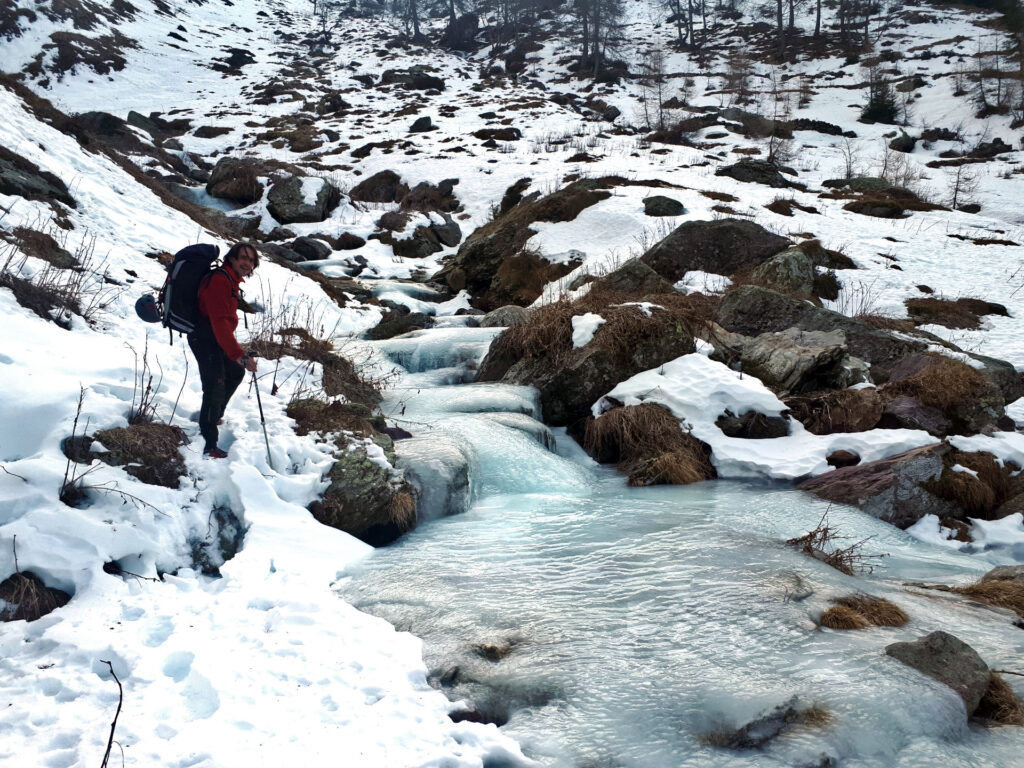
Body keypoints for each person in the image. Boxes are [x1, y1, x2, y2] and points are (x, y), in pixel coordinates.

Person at [188, 242, 259, 458]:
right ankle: (210, 444)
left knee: (235, 372)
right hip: (204, 338)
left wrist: (237, 356)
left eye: (251, 259)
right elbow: (218, 321)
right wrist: (239, 355)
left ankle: (215, 414)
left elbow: (223, 323)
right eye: (243, 258)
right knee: (215, 386)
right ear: (232, 259)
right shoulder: (220, 280)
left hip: (214, 337)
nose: (247, 262)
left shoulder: (231, 280)